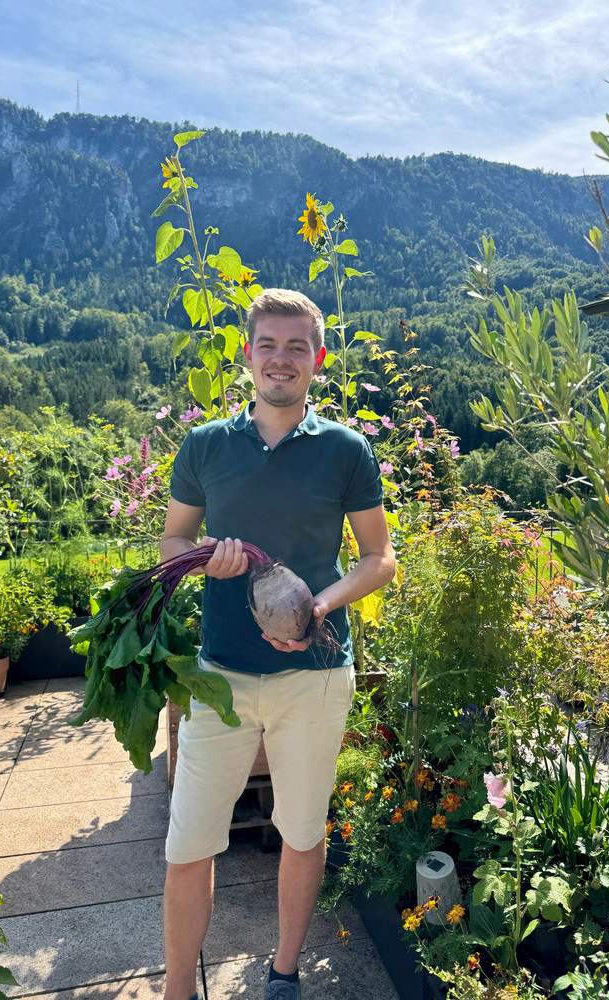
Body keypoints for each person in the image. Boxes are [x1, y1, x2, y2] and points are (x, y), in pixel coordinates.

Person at [161, 288, 395, 1000]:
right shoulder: (206, 445)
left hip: (316, 679)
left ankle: (284, 971)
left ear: (317, 360)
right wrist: (205, 556)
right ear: (248, 355)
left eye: (298, 347)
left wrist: (315, 605)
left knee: (301, 828)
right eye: (270, 345)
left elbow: (379, 558)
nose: (282, 359)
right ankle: (176, 989)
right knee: (188, 843)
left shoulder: (346, 450)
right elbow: (170, 540)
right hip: (220, 675)